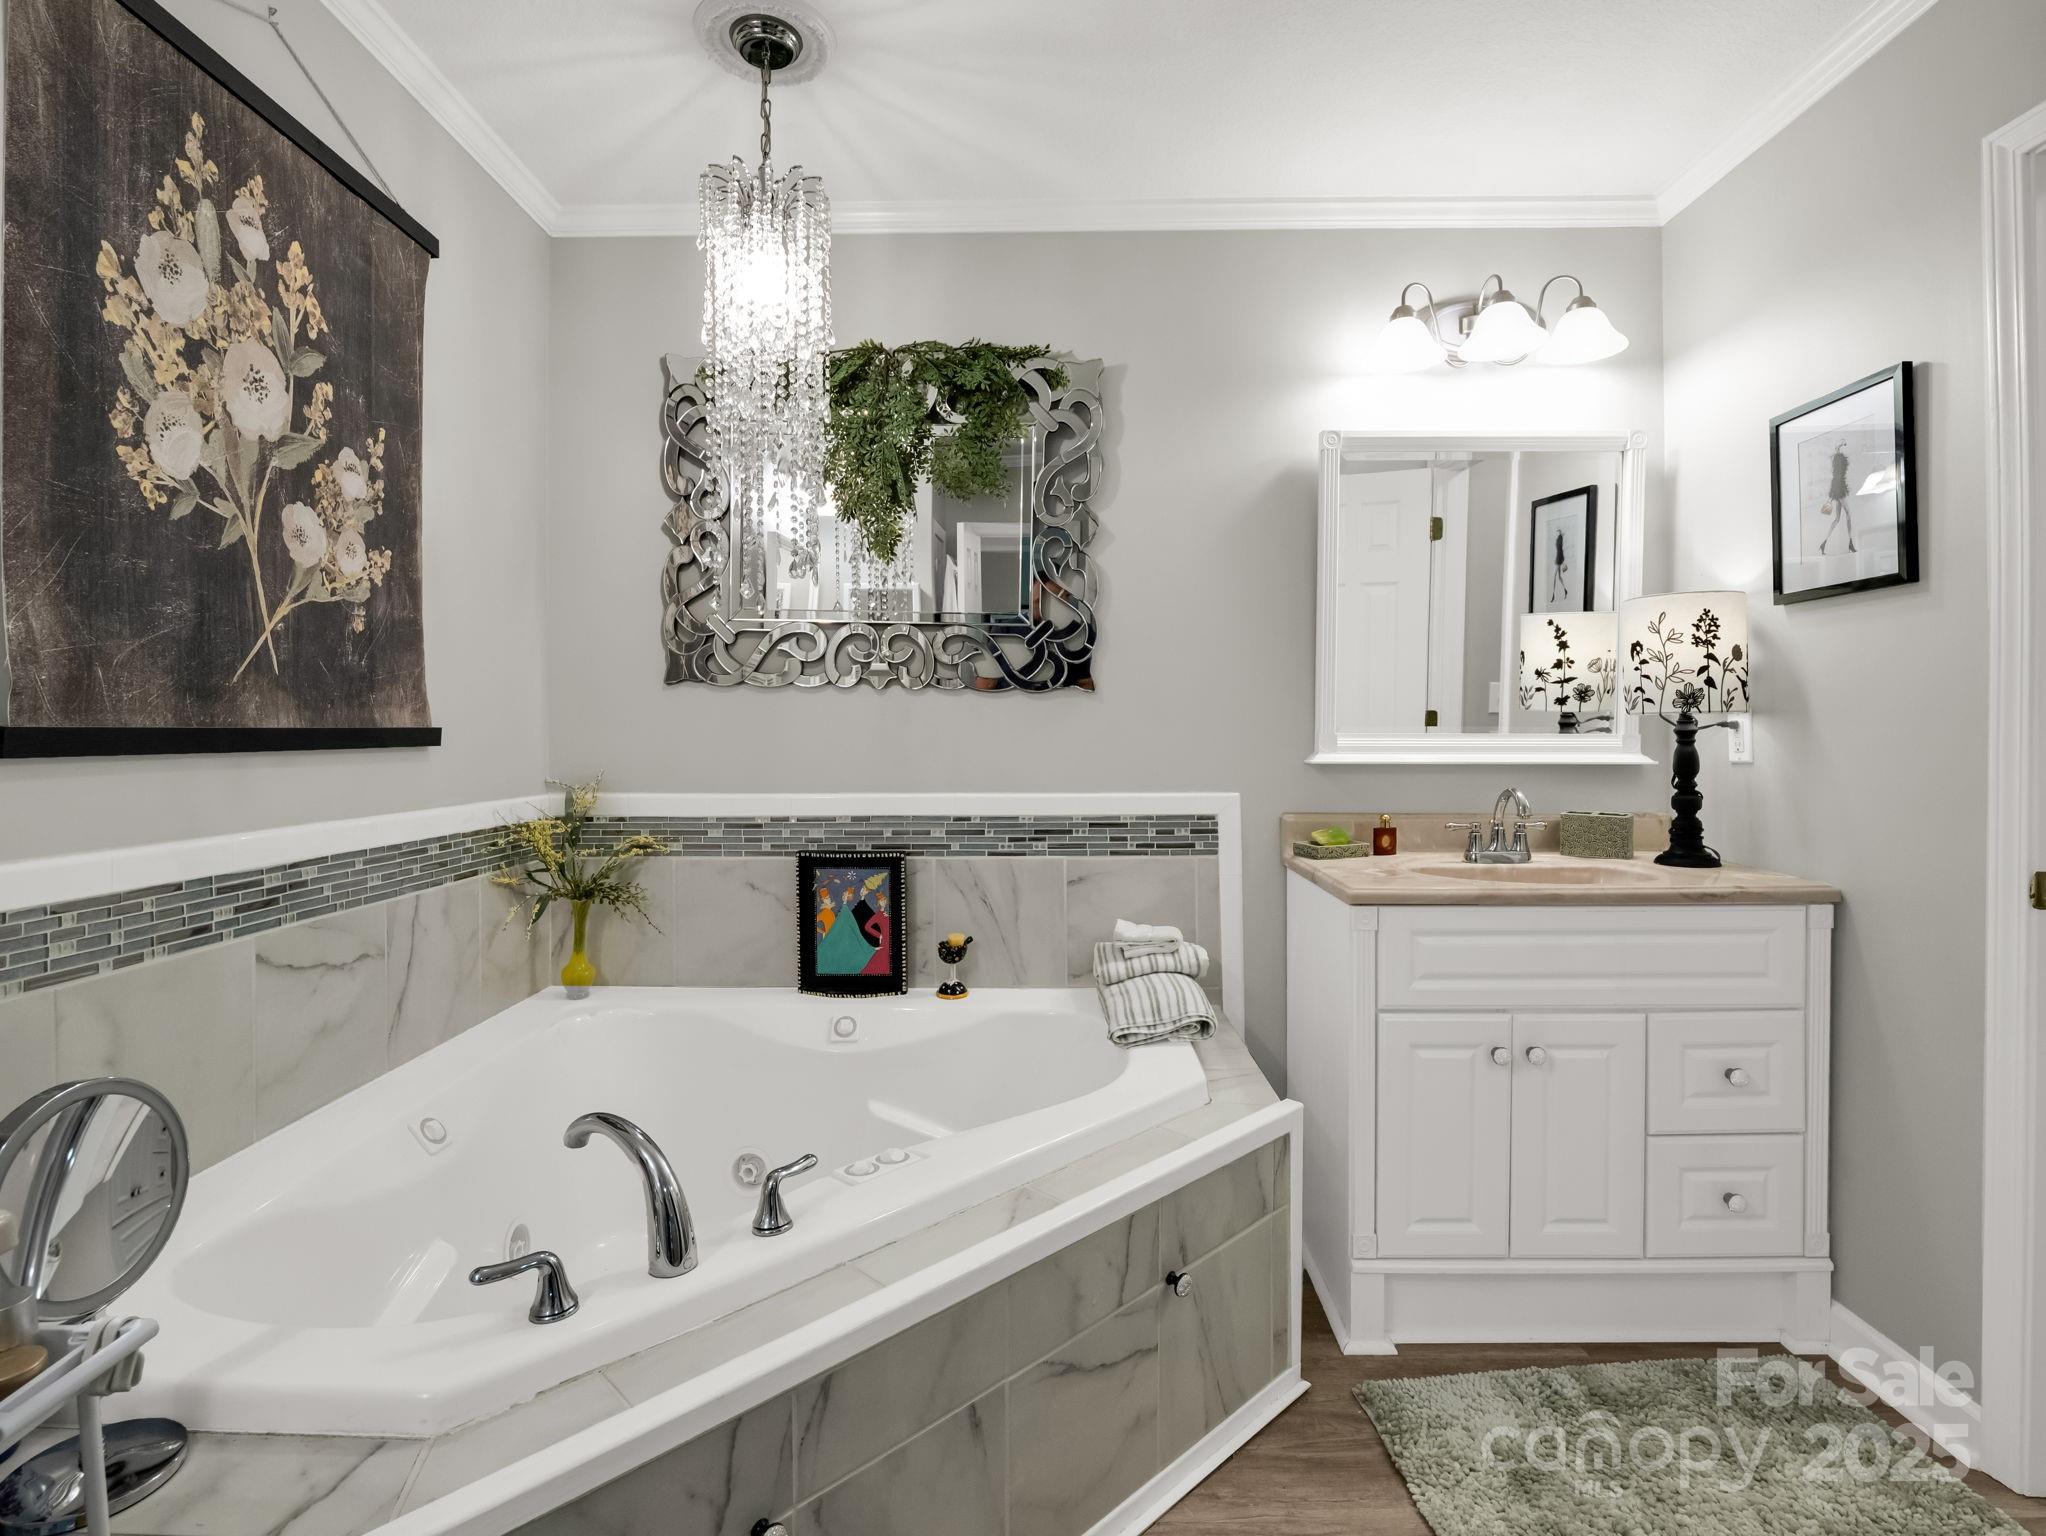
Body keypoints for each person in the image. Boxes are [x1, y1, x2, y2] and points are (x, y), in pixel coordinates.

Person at [1818, 439, 1858, 554]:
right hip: (1840, 489)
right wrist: (1841, 444)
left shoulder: (1836, 465)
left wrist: (1841, 445)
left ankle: (1824, 543)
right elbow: (1837, 450)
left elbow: (1836, 450)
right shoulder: (1839, 463)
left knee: (1837, 518)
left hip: (1838, 489)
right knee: (1849, 514)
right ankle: (1850, 542)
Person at [1549, 527, 1570, 604]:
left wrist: (1561, 560)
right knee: (1559, 577)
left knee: (1555, 577)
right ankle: (1565, 589)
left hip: (1559, 558)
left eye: (1558, 531)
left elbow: (1560, 549)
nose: (1557, 532)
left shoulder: (1560, 539)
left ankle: (1553, 594)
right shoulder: (1559, 539)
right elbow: (1560, 549)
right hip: (1558, 557)